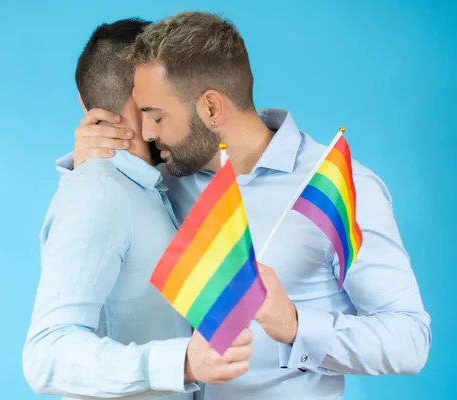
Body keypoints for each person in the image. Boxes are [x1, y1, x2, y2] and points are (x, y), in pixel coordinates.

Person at [56, 11, 431, 399]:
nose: (148, 133)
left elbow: (410, 339)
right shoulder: (165, 177)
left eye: (156, 116)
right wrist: (89, 169)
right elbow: (93, 249)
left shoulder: (342, 188)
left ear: (212, 109)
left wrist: (296, 325)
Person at [22, 18, 255, 400]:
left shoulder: (154, 185)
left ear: (84, 102)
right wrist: (180, 363)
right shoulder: (98, 192)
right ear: (140, 96)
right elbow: (45, 354)